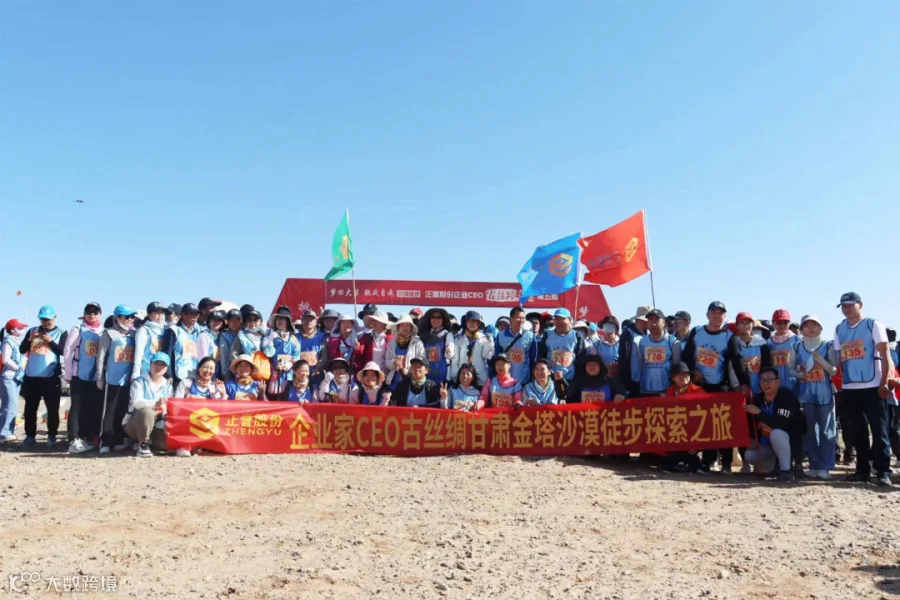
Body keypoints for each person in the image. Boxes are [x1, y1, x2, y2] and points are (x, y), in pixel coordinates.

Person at [833, 292, 893, 486]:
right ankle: (862, 470)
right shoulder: (839, 329)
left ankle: (883, 471)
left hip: (873, 385)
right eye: (843, 306)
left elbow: (885, 354)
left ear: (861, 305)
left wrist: (884, 382)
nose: (847, 309)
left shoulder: (873, 324)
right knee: (857, 432)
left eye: (850, 305)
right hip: (850, 387)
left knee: (879, 430)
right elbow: (837, 359)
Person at [683, 301, 744, 474]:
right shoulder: (697, 332)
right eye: (714, 312)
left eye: (720, 313)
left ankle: (726, 463)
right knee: (704, 425)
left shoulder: (729, 336)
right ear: (707, 315)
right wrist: (692, 372)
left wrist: (744, 383)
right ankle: (707, 462)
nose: (717, 316)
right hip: (700, 387)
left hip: (721, 387)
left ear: (725, 316)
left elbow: (737, 362)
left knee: (722, 425)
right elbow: (687, 357)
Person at [794, 315, 838, 480]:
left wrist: (822, 362)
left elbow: (834, 370)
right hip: (806, 394)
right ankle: (813, 464)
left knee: (827, 430)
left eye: (814, 325)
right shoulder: (796, 346)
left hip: (825, 393)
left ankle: (826, 466)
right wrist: (800, 374)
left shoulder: (828, 345)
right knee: (810, 430)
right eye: (807, 325)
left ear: (820, 327)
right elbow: (790, 368)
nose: (811, 328)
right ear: (802, 329)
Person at [743, 367, 804, 482]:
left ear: (778, 382)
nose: (765, 384)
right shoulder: (758, 399)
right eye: (762, 380)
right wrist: (752, 439)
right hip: (767, 444)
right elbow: (750, 422)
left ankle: (786, 470)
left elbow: (780, 423)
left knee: (777, 433)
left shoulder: (786, 396)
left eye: (769, 380)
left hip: (789, 442)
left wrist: (759, 413)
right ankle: (772, 467)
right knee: (750, 455)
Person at [19, 305, 67, 447]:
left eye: (48, 319)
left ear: (55, 317)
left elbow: (64, 351)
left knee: (52, 409)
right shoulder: (32, 331)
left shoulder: (61, 332)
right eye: (43, 319)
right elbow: (22, 350)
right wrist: (29, 340)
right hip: (31, 376)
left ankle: (51, 435)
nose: (45, 322)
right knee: (30, 408)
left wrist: (50, 341)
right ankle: (29, 436)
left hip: (50, 377)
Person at [62, 302, 105, 454]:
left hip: (96, 376)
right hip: (78, 375)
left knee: (93, 408)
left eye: (95, 312)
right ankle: (74, 439)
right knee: (76, 408)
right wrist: (68, 374)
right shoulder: (78, 329)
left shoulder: (103, 332)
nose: (92, 315)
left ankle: (89, 437)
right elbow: (68, 351)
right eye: (88, 312)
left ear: (100, 314)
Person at [96, 305, 138, 453]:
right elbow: (101, 356)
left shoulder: (134, 334)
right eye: (127, 317)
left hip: (129, 379)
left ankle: (119, 439)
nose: (130, 319)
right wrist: (100, 377)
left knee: (123, 410)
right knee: (109, 411)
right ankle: (105, 442)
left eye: (132, 316)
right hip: (112, 379)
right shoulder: (108, 333)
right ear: (118, 317)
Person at [123, 352, 173, 458]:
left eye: (162, 365)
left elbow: (167, 406)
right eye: (156, 363)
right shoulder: (139, 382)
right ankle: (143, 444)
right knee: (147, 412)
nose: (158, 367)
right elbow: (137, 403)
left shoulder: (168, 385)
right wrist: (155, 403)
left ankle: (149, 442)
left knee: (166, 445)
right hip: (135, 421)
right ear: (150, 364)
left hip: (157, 423)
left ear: (166, 369)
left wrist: (165, 415)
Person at [659, 362, 705, 473]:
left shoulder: (699, 391)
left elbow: (707, 417)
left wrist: (697, 443)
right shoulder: (669, 392)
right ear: (673, 378)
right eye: (679, 374)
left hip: (694, 432)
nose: (683, 377)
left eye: (686, 374)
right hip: (674, 432)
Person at [636, 309, 681, 396]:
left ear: (664, 322)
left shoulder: (673, 342)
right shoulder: (642, 341)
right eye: (650, 320)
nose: (653, 323)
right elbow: (639, 364)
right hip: (645, 390)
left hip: (666, 391)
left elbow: (677, 367)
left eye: (657, 320)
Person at [538, 308, 586, 384]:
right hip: (551, 379)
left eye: (562, 319)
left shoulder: (577, 336)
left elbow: (581, 359)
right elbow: (541, 356)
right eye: (556, 319)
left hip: (570, 379)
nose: (559, 322)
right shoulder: (547, 335)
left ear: (570, 320)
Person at [163, 303, 203, 389]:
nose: (195, 316)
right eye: (192, 314)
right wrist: (168, 375)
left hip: (194, 376)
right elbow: (167, 353)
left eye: (197, 314)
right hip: (177, 377)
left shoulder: (199, 332)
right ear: (183, 315)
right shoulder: (174, 330)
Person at [0, 319, 28, 443]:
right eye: (19, 328)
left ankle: (7, 431)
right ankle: (5, 433)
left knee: (10, 405)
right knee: (10, 405)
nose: (22, 330)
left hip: (16, 377)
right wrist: (18, 368)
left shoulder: (17, 341)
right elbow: (5, 359)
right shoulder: (8, 341)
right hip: (9, 376)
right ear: (12, 330)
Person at [449, 311, 494, 387]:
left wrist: (490, 343)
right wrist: (455, 376)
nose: (472, 323)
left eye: (474, 321)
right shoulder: (459, 339)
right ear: (465, 323)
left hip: (480, 377)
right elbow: (455, 361)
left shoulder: (484, 338)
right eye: (469, 321)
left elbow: (487, 356)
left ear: (479, 324)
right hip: (463, 377)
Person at [732, 312, 771, 398]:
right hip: (740, 393)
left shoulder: (762, 345)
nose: (745, 325)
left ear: (752, 325)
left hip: (759, 392)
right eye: (742, 322)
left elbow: (766, 368)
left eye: (748, 322)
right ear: (737, 325)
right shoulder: (733, 344)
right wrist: (736, 386)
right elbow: (732, 368)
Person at [495, 307, 536, 385]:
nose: (521, 320)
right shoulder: (501, 335)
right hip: (505, 380)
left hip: (524, 380)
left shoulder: (530, 335)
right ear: (511, 318)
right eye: (518, 317)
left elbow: (533, 358)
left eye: (523, 318)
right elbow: (497, 357)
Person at [266, 306, 301, 398]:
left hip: (290, 376)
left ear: (288, 322)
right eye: (278, 318)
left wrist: (290, 364)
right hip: (273, 375)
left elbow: (297, 356)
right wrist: (270, 340)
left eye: (283, 319)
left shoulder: (294, 339)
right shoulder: (271, 337)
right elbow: (268, 353)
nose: (280, 321)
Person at [386, 314, 427, 389]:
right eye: (402, 325)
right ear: (398, 328)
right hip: (394, 382)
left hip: (411, 381)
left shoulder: (418, 342)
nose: (405, 328)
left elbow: (422, 361)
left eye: (408, 325)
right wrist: (393, 363)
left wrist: (408, 371)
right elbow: (387, 362)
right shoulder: (392, 342)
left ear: (411, 328)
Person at [618, 306, 650, 397]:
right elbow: (624, 360)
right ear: (641, 321)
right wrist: (625, 386)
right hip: (633, 382)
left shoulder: (647, 335)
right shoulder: (628, 334)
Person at [418, 308, 455, 384]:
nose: (436, 319)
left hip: (442, 375)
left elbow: (450, 355)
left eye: (439, 317)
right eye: (433, 317)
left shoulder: (447, 335)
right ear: (429, 319)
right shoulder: (423, 335)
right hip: (425, 375)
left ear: (443, 320)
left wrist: (448, 351)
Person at [133, 302, 167, 380]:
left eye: (162, 313)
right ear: (149, 314)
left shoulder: (166, 330)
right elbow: (139, 353)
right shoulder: (144, 331)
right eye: (157, 313)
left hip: (161, 372)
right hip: (147, 372)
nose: (160, 315)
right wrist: (135, 373)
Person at [353, 310, 393, 376]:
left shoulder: (391, 339)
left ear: (383, 324)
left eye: (377, 321)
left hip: (386, 375)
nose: (374, 323)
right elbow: (358, 354)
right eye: (373, 320)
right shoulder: (366, 337)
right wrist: (357, 349)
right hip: (369, 376)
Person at [768, 309, 799, 391]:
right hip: (774, 385)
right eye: (778, 322)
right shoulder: (768, 342)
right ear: (773, 323)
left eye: (785, 322)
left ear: (789, 323)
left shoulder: (797, 340)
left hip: (793, 383)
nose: (782, 325)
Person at [294, 310, 326, 384]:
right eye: (306, 319)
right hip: (299, 374)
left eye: (311, 319)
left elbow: (324, 356)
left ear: (316, 322)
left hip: (316, 373)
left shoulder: (321, 336)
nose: (308, 321)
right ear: (302, 321)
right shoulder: (295, 337)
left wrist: (318, 368)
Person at [218, 309, 243, 381]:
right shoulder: (224, 336)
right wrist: (226, 377)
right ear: (227, 322)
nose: (234, 323)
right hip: (231, 374)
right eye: (231, 320)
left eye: (237, 320)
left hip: (245, 371)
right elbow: (224, 358)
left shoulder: (244, 334)